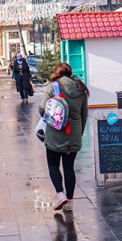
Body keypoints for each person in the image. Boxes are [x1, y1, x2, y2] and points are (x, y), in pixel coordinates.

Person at [39, 62, 89, 211]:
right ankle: (70, 202)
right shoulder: (81, 88)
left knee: (53, 165)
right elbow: (84, 116)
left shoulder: (53, 87)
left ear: (57, 73)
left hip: (55, 134)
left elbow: (42, 110)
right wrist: (78, 134)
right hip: (73, 135)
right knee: (69, 167)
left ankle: (60, 194)